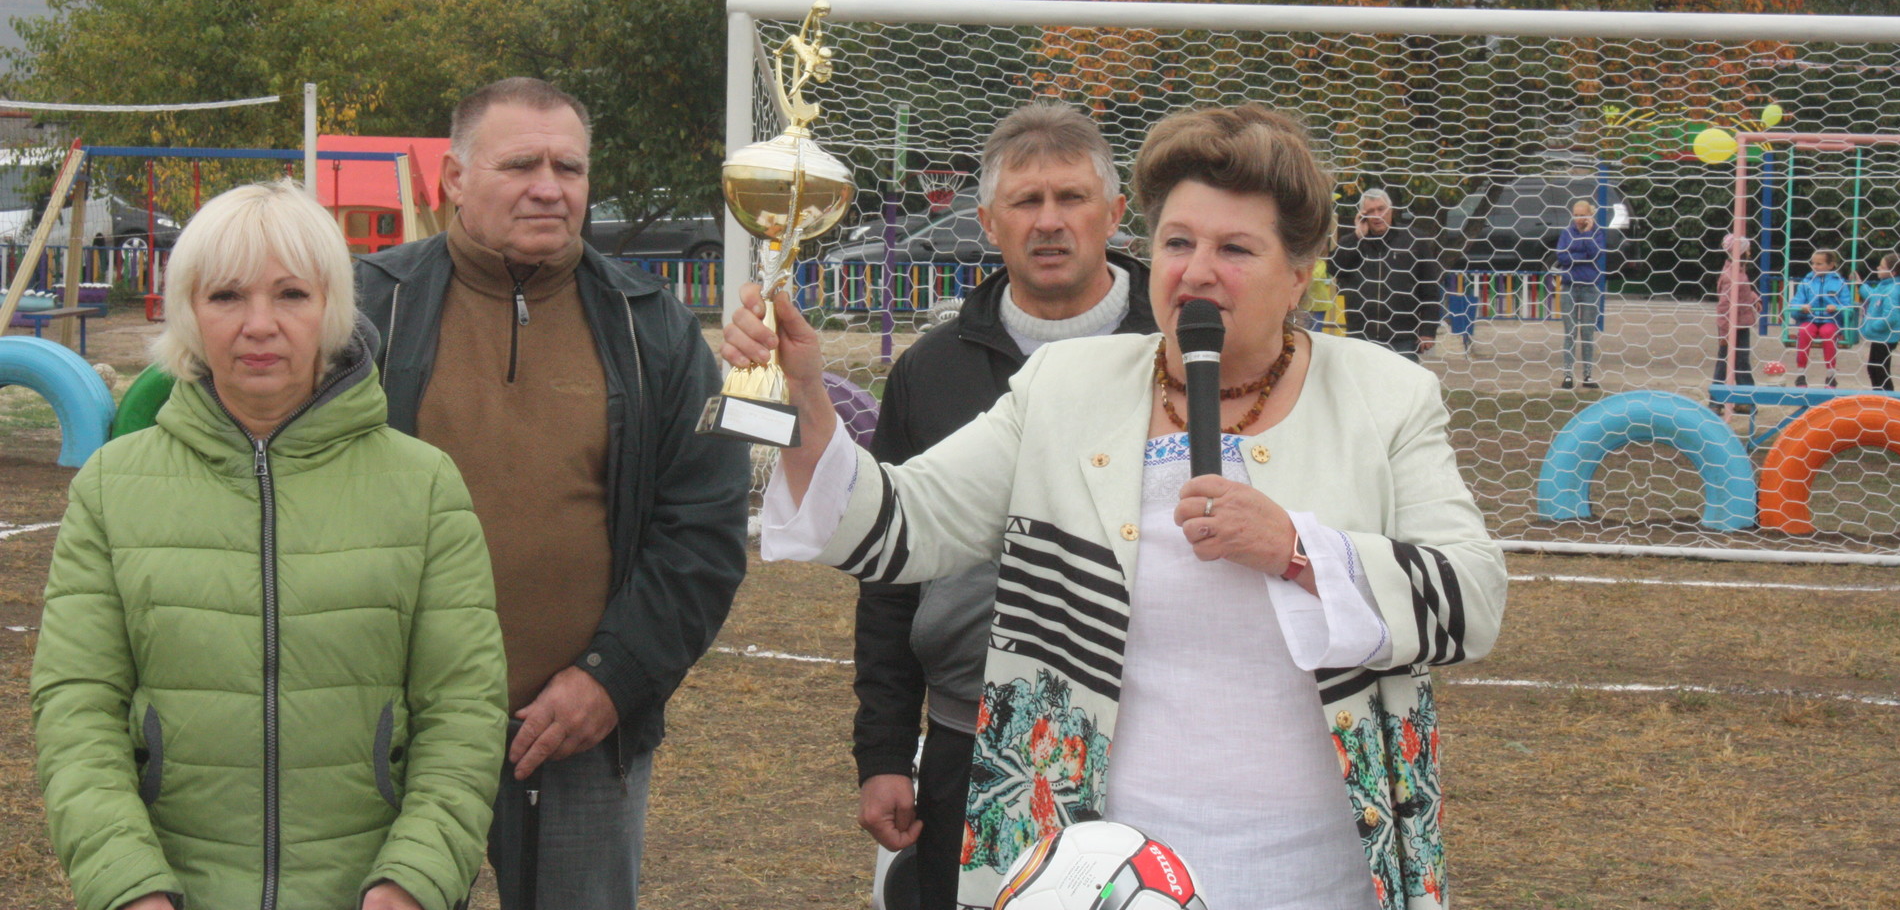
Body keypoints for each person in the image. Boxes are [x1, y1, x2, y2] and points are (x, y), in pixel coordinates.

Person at [731, 104, 1506, 910]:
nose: (1197, 271)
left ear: (1299, 272)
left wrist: (1298, 550)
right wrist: (809, 405)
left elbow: (1473, 598)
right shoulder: (1065, 388)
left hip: (1318, 867)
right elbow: (901, 526)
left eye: (1235, 248)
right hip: (1083, 862)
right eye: (1178, 243)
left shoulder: (1389, 398)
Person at [32, 179, 505, 910]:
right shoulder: (109, 488)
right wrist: (128, 886)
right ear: (188, 310)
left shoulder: (424, 485)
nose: (260, 325)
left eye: (291, 295)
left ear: (333, 309)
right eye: (226, 296)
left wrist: (412, 881)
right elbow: (77, 709)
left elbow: (463, 709)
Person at [355, 77, 752, 910]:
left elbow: (704, 529)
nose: (550, 186)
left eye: (569, 167)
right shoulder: (366, 312)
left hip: (581, 738)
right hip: (391, 734)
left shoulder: (656, 330)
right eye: (521, 164)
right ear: (453, 180)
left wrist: (613, 678)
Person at [854, 103, 1157, 910]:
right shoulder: (931, 370)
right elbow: (889, 574)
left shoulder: (1185, 352)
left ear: (1115, 215)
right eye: (1026, 202)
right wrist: (884, 750)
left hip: (1151, 738)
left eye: (1071, 198)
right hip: (967, 737)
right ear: (988, 221)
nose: (1049, 222)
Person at [1330, 188, 1441, 361]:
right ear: (1362, 215)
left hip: (1402, 337)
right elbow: (1334, 268)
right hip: (1361, 336)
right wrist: (1357, 236)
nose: (1376, 215)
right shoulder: (1353, 242)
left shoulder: (1414, 240)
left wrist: (1427, 330)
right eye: (1370, 211)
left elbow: (1430, 289)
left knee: (1400, 386)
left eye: (1381, 209)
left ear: (1391, 209)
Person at [1554, 200, 1615, 390]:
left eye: (1582, 215)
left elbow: (1596, 254)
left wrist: (1587, 235)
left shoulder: (1597, 233)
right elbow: (1561, 257)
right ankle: (1567, 375)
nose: (1579, 219)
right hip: (1569, 287)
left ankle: (1588, 376)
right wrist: (1582, 257)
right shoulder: (1566, 233)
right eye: (1576, 214)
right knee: (1570, 332)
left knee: (1587, 332)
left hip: (1590, 287)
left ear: (1590, 215)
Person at [1710, 233, 1758, 412]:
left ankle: (1743, 400)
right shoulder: (1731, 275)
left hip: (1741, 323)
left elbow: (1743, 292)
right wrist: (1724, 333)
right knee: (1726, 361)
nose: (1750, 252)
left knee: (1741, 361)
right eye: (1748, 249)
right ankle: (1716, 401)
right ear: (1742, 252)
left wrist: (1754, 298)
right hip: (1730, 326)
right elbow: (1724, 307)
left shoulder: (1739, 270)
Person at [1787, 248, 1849, 388]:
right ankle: (1801, 373)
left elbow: (1847, 306)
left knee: (1828, 333)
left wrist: (1836, 308)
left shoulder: (1839, 283)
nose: (1815, 266)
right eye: (1813, 263)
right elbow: (1795, 303)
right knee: (1804, 331)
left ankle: (1830, 375)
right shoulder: (1807, 281)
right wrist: (1801, 307)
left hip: (1830, 320)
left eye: (1819, 264)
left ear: (1831, 265)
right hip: (1809, 318)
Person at [1859, 253, 1900, 392]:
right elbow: (1873, 296)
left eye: (1881, 266)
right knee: (1874, 368)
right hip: (1880, 336)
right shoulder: (1885, 285)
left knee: (1880, 370)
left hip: (1885, 337)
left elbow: (1892, 317)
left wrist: (1874, 326)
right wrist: (1860, 284)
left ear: (1892, 272)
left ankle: (1887, 400)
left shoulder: (1893, 290)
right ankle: (1880, 398)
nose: (1877, 268)